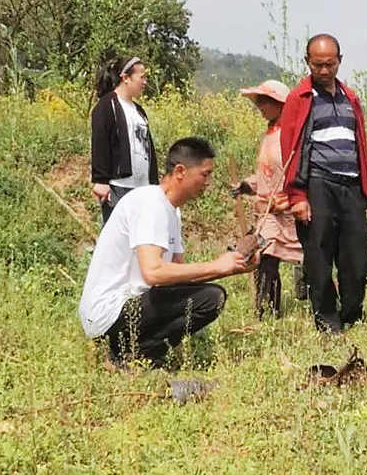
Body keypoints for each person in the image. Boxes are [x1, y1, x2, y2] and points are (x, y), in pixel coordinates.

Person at [79, 137, 254, 368]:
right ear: (181, 171)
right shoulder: (150, 203)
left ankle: (135, 354)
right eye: (204, 174)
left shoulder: (172, 211)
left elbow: (180, 274)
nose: (208, 183)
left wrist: (233, 266)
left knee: (211, 297)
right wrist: (216, 265)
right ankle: (131, 354)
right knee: (210, 298)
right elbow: (153, 272)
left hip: (130, 307)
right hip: (110, 314)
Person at [280, 34, 367, 333]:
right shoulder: (300, 99)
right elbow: (290, 148)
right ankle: (327, 321)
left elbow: (361, 145)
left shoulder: (351, 99)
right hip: (318, 184)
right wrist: (296, 195)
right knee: (318, 256)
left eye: (329, 64)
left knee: (357, 258)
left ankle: (352, 315)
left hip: (351, 186)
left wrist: (366, 190)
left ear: (339, 61)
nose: (323, 70)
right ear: (308, 62)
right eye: (317, 64)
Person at [234, 79, 307, 318]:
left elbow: (297, 170)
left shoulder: (293, 136)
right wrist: (247, 185)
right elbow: (266, 174)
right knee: (265, 257)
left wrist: (289, 197)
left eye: (267, 101)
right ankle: (267, 311)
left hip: (289, 208)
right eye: (260, 102)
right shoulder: (269, 134)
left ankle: (315, 303)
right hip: (267, 212)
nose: (261, 107)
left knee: (307, 258)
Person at [91, 56, 158, 225]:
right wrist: (101, 180)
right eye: (141, 77)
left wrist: (154, 184)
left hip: (142, 186)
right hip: (119, 185)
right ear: (126, 78)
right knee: (118, 238)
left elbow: (148, 149)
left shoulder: (139, 111)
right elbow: (100, 142)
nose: (145, 82)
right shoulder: (107, 106)